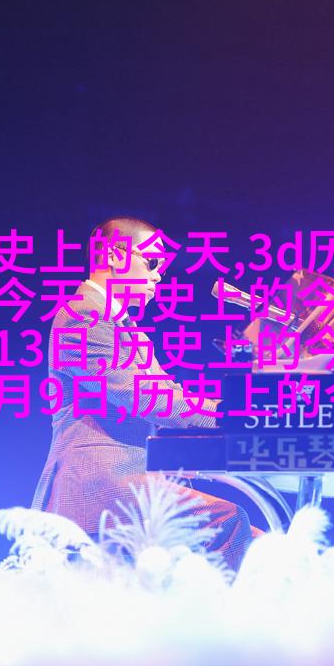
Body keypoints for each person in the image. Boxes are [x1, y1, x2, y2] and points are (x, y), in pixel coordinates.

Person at [32, 216, 253, 569]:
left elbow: (166, 393)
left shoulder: (124, 326)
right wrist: (234, 415)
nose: (158, 276)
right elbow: (149, 398)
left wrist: (231, 414)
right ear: (115, 256)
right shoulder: (83, 315)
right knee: (229, 522)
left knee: (261, 545)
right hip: (98, 481)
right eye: (151, 263)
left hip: (128, 478)